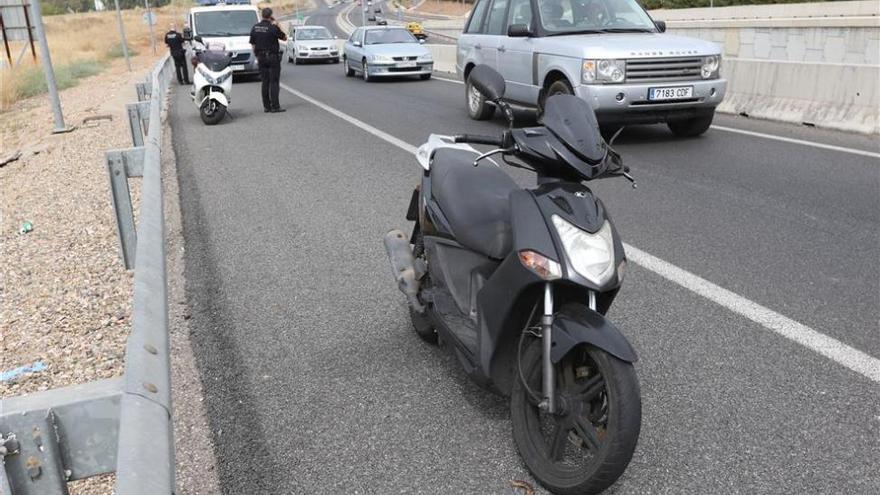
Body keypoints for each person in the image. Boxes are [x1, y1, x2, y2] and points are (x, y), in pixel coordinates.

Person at [249, 8, 287, 113]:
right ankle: (275, 106)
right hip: (272, 57)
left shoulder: (255, 27)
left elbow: (253, 44)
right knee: (274, 82)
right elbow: (284, 38)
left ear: (262, 15)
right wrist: (277, 24)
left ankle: (266, 106)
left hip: (261, 57)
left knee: (265, 82)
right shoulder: (273, 27)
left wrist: (257, 55)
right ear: (270, 16)